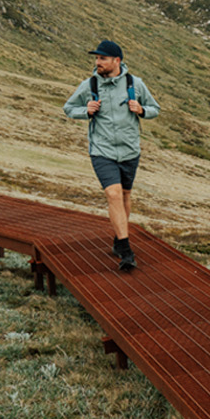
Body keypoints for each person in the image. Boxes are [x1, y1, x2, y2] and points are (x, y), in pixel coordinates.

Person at [62, 40, 161, 271]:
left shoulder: (134, 84)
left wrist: (142, 110)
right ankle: (126, 251)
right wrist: (84, 111)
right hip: (102, 150)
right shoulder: (89, 85)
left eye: (102, 59)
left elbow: (154, 108)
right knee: (113, 193)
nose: (97, 63)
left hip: (129, 150)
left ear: (117, 61)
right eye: (96, 58)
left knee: (125, 195)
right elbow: (68, 108)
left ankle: (118, 239)